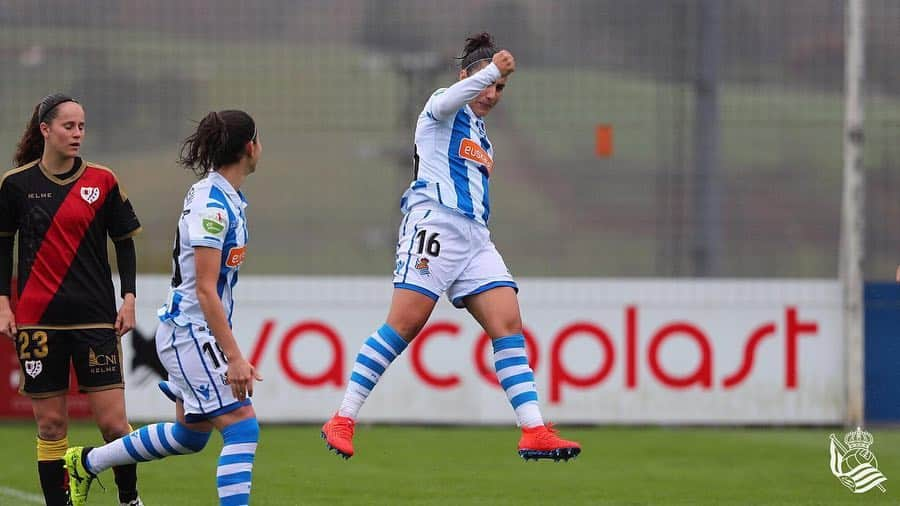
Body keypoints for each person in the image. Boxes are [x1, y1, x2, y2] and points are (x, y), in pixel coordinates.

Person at [321, 33, 581, 462]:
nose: (492, 93)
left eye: (499, 88)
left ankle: (534, 429)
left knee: (509, 323)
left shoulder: (483, 137)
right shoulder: (442, 107)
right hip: (435, 225)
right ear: (465, 78)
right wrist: (494, 68)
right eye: (485, 83)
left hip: (476, 239)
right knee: (404, 324)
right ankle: (343, 417)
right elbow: (450, 99)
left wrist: (493, 74)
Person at [64, 110, 263, 506]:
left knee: (191, 434)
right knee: (242, 428)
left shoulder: (221, 195)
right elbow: (205, 291)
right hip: (192, 332)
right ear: (249, 148)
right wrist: (235, 357)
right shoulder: (213, 205)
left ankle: (87, 462)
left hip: (189, 330)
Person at [0, 94, 143, 506]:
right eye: (68, 126)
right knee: (50, 426)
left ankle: (129, 500)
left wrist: (129, 298)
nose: (77, 134)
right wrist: (3, 303)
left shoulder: (103, 181)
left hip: (96, 320)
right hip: (37, 321)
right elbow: (2, 249)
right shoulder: (15, 185)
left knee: (115, 425)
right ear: (45, 129)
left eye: (82, 126)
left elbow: (125, 243)